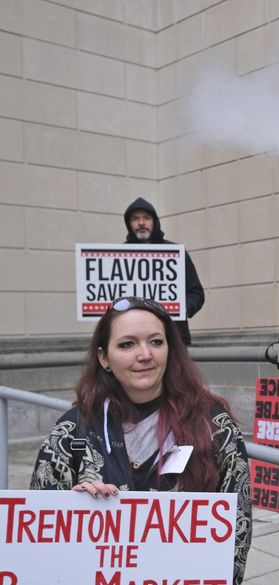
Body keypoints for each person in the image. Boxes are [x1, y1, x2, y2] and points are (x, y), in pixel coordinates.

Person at [30, 296, 252, 585]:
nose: (145, 354)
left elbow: (237, 529)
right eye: (127, 344)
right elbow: (38, 539)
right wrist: (73, 511)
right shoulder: (72, 432)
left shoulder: (213, 424)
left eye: (156, 342)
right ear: (104, 357)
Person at [124, 198, 205, 346]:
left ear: (154, 221)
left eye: (146, 218)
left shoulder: (175, 253)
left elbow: (196, 293)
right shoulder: (117, 256)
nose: (141, 223)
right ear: (129, 224)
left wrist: (182, 308)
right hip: (133, 340)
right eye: (135, 219)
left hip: (173, 339)